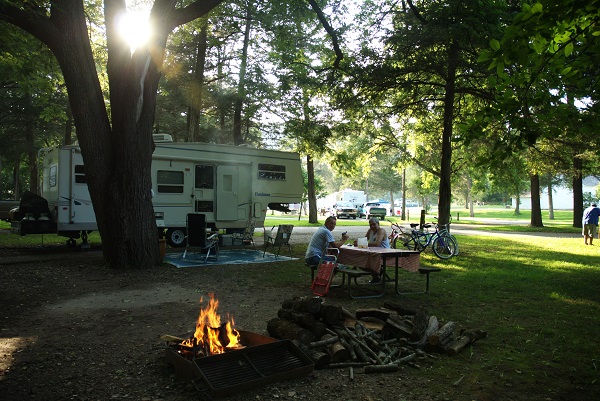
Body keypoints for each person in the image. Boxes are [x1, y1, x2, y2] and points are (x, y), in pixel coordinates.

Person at [354, 218, 390, 283]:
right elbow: (364, 240)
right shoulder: (370, 230)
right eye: (370, 225)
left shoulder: (381, 231)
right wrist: (358, 241)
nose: (372, 226)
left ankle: (376, 274)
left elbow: (376, 244)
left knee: (365, 260)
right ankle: (376, 274)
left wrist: (360, 243)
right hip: (373, 252)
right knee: (358, 260)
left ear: (378, 224)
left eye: (374, 224)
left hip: (384, 253)